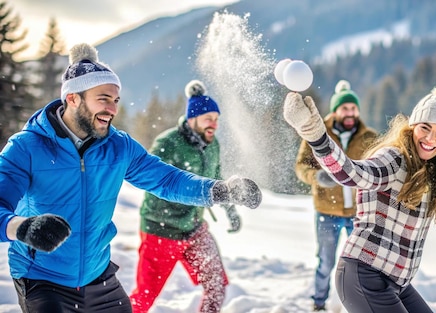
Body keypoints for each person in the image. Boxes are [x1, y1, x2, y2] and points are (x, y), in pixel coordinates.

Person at [0, 43, 262, 313]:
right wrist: (21, 227)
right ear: (73, 98)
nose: (112, 109)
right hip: (43, 279)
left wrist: (220, 191)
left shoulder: (118, 146)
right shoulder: (26, 147)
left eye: (115, 101)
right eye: (103, 98)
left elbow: (166, 180)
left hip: (97, 276)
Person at [282, 83, 436, 313]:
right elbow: (353, 174)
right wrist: (316, 135)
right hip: (363, 275)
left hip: (395, 282)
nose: (430, 138)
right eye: (425, 127)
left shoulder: (432, 171)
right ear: (412, 126)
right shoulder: (395, 159)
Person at [129, 80, 241, 312]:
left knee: (216, 285)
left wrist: (230, 209)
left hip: (194, 228)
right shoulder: (168, 143)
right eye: (208, 118)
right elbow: (150, 179)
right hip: (161, 230)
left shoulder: (212, 145)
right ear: (192, 119)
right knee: (144, 298)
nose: (214, 124)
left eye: (217, 119)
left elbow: (216, 176)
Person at [294, 80, 377, 311]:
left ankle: (358, 305)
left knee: (359, 265)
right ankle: (318, 303)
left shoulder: (369, 136)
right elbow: (301, 166)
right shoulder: (318, 133)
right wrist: (317, 177)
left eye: (353, 108)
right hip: (326, 212)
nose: (350, 113)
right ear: (335, 110)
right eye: (345, 108)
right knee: (326, 262)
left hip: (358, 215)